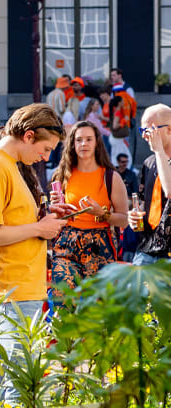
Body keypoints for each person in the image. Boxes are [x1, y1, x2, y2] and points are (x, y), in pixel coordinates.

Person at [0, 103, 67, 408]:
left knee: (4, 385)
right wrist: (40, 227)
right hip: (7, 291)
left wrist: (44, 221)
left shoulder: (6, 163)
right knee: (12, 386)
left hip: (17, 289)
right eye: (46, 148)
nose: (46, 156)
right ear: (28, 136)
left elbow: (8, 224)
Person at [48, 121, 128, 310]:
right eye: (79, 140)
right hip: (67, 242)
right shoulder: (62, 175)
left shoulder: (110, 177)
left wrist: (102, 214)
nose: (84, 144)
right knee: (63, 305)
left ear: (97, 143)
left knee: (99, 308)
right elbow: (55, 216)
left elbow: (124, 218)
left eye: (88, 139)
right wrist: (54, 207)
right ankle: (65, 340)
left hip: (99, 244)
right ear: (72, 144)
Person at [129, 104, 171, 266]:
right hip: (146, 248)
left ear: (169, 129)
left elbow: (169, 191)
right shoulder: (148, 162)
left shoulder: (157, 155)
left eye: (150, 130)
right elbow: (141, 201)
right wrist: (133, 216)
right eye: (142, 130)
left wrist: (159, 151)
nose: (145, 136)